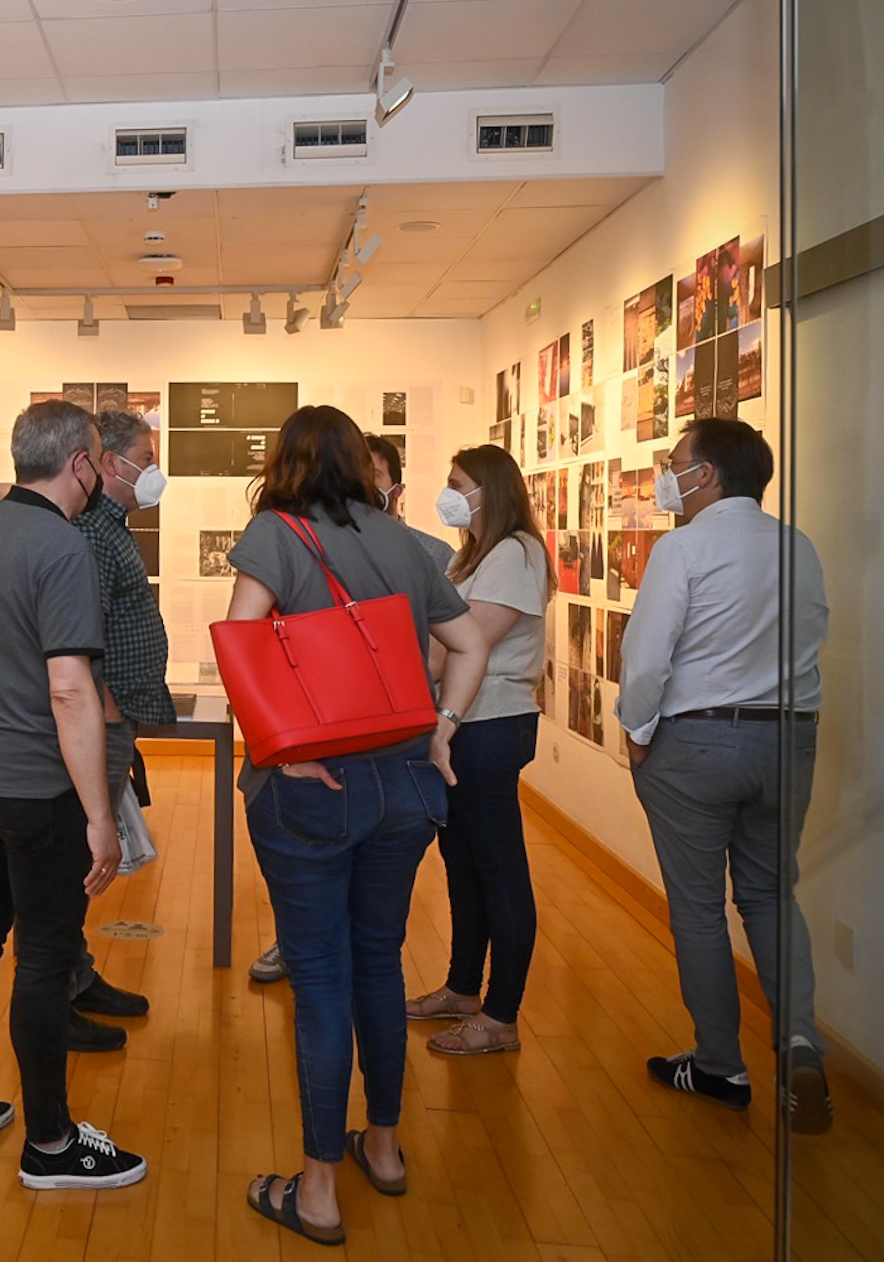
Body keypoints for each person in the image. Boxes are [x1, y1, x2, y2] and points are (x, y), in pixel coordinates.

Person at [222, 405, 487, 1246]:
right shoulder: (408, 543)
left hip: (312, 784)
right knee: (377, 962)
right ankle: (384, 1146)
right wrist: (443, 726)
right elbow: (469, 643)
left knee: (321, 980)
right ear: (360, 465)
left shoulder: (277, 534)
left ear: (287, 464)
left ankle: (318, 1192)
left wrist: (277, 748)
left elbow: (238, 642)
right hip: (406, 782)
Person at [0, 400, 147, 1190]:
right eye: (98, 459)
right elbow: (68, 686)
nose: (100, 474)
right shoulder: (61, 544)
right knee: (46, 956)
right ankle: (51, 1143)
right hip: (35, 783)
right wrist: (99, 816)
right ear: (82, 463)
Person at [617, 417, 831, 1131]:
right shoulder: (797, 546)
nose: (667, 474)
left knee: (700, 908)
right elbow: (812, 638)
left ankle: (719, 1063)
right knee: (771, 895)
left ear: (706, 474)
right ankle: (799, 1039)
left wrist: (637, 735)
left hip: (698, 745)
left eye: (675, 462)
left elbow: (647, 658)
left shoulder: (685, 548)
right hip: (789, 740)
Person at [405, 444, 553, 1054]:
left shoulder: (518, 552)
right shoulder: (477, 555)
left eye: (456, 481)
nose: (448, 491)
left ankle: (501, 1014)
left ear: (487, 490)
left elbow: (463, 642)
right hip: (461, 725)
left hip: (490, 726)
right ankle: (464, 987)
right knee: (462, 863)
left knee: (500, 870)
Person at [61, 409, 168, 1052]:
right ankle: (63, 994)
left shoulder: (111, 525)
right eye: (144, 459)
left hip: (116, 713)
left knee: (84, 860)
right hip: (101, 717)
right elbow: (84, 635)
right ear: (108, 464)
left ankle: (78, 975)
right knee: (79, 860)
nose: (152, 472)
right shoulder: (94, 535)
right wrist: (103, 717)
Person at [367, 433, 457, 573]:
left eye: (374, 475)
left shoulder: (434, 555)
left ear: (397, 491)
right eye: (357, 475)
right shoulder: (337, 552)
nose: (363, 483)